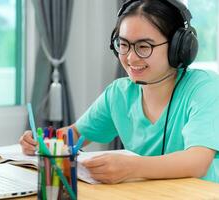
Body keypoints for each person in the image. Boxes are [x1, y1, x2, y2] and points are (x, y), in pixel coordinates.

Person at [19, 0, 219, 184]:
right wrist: (44, 140)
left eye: (143, 46)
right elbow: (77, 134)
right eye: (123, 45)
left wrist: (130, 167)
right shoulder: (119, 93)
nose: (131, 58)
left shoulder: (204, 87)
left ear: (179, 47)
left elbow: (197, 161)